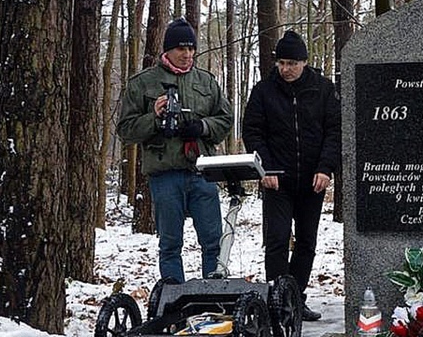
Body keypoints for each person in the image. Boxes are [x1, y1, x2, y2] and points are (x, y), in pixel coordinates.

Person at [117, 18, 232, 283]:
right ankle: (174, 303)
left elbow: (226, 120)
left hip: (203, 173)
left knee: (213, 243)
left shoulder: (206, 82)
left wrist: (202, 126)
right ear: (167, 50)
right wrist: (154, 118)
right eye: (181, 48)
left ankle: (213, 299)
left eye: (191, 48)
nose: (187, 54)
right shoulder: (143, 83)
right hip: (165, 175)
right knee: (170, 245)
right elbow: (126, 129)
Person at [242, 30, 341, 321]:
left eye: (292, 64)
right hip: (277, 181)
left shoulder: (322, 89)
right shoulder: (263, 91)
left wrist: (326, 167)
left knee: (307, 241)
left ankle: (296, 299)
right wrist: (266, 169)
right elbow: (253, 132)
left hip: (313, 180)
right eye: (281, 63)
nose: (285, 69)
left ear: (304, 62)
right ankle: (276, 300)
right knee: (277, 239)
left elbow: (334, 131)